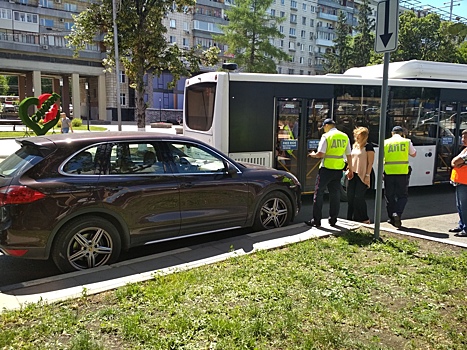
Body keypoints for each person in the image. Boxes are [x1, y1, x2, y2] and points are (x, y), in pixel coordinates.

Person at [305, 118, 353, 227]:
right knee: (335, 195)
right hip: (338, 170)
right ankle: (333, 220)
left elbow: (321, 154)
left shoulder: (326, 136)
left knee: (319, 193)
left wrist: (313, 154)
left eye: (323, 127)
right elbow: (349, 154)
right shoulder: (344, 136)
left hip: (326, 169)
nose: (323, 130)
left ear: (326, 126)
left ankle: (316, 220)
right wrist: (351, 168)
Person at [383, 126, 416, 228]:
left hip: (388, 172)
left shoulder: (385, 142)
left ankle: (391, 218)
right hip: (402, 173)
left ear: (392, 133)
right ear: (402, 133)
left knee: (389, 196)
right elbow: (414, 154)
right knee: (402, 196)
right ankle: (397, 213)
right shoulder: (406, 141)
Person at [346, 127, 375, 224]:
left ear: (364, 136)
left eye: (358, 135)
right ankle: (351, 218)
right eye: (356, 135)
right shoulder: (355, 146)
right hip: (352, 174)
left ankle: (364, 218)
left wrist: (367, 175)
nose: (356, 137)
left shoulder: (368, 147)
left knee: (359, 197)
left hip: (363, 174)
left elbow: (370, 163)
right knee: (350, 196)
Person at [449, 129, 467, 237]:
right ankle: (461, 225)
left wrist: (458, 163)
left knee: (464, 206)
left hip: (465, 182)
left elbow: (455, 162)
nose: (463, 139)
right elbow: (455, 163)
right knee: (460, 206)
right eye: (463, 137)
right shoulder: (465, 150)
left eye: (466, 137)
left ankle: (466, 228)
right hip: (460, 181)